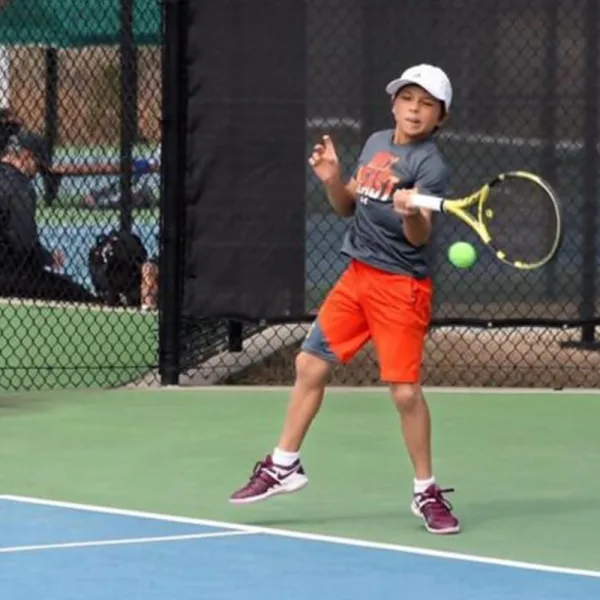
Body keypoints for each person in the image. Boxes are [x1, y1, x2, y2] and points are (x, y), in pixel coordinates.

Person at [229, 64, 460, 535]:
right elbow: (349, 205)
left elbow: (418, 237)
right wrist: (334, 180)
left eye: (427, 104)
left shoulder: (431, 166)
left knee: (404, 393)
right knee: (310, 364)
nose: (415, 110)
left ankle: (426, 491)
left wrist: (411, 209)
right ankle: (284, 464)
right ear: (394, 103)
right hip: (357, 277)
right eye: (408, 99)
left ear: (441, 117)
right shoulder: (377, 142)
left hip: (401, 288)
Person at [0, 130, 98, 304]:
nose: (37, 172)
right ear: (26, 156)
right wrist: (44, 257)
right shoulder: (21, 187)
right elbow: (24, 243)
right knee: (76, 293)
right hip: (9, 276)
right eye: (37, 164)